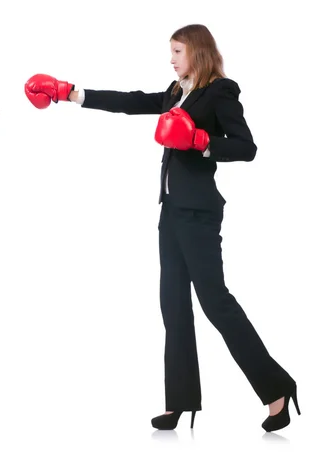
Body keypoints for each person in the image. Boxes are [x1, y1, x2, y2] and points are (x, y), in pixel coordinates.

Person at [23, 24, 299, 432]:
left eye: (177, 51)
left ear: (198, 53)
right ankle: (180, 401)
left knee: (215, 303)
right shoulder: (177, 91)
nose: (171, 59)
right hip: (171, 211)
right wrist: (72, 93)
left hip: (200, 213)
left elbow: (247, 147)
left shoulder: (221, 91)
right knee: (172, 305)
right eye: (171, 52)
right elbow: (134, 102)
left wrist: (202, 139)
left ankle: (277, 388)